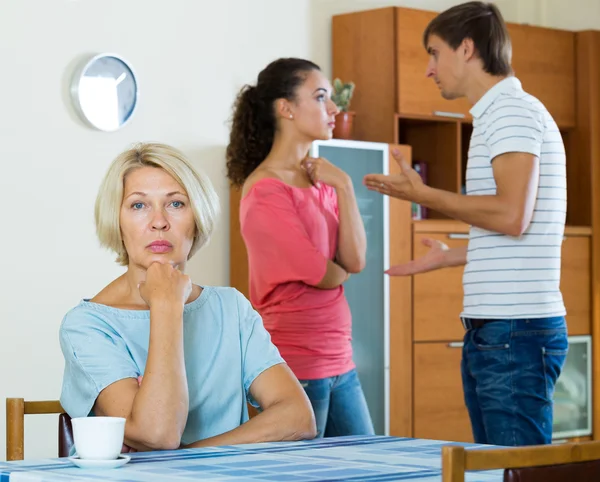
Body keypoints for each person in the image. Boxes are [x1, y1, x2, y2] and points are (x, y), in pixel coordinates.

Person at [364, 1, 568, 447]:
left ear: (467, 49)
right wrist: (449, 257)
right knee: (496, 468)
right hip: (499, 329)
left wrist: (424, 196)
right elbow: (517, 231)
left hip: (514, 329)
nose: (429, 70)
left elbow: (513, 216)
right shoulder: (499, 115)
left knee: (513, 471)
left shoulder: (511, 112)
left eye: (434, 53)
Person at [59, 142, 316, 452]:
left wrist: (194, 454)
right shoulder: (86, 326)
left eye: (176, 204)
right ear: (117, 220)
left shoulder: (231, 308)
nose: (159, 221)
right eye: (138, 205)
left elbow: (298, 417)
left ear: (198, 216)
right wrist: (166, 305)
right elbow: (158, 434)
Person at [225, 58, 375, 438]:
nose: (333, 109)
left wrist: (343, 185)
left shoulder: (324, 179)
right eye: (320, 96)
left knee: (370, 469)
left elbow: (355, 259)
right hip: (296, 364)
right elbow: (323, 273)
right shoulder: (264, 191)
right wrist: (337, 269)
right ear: (286, 108)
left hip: (340, 358)